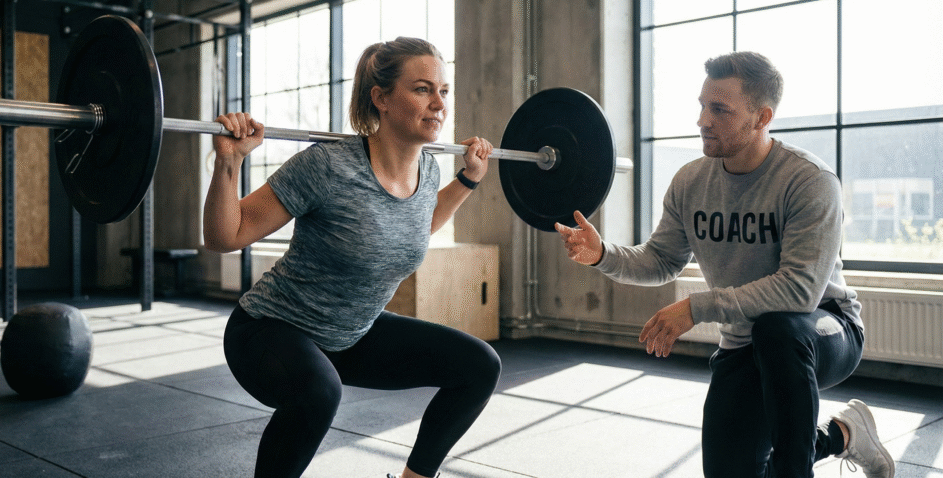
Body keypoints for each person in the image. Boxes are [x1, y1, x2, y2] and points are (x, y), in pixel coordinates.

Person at [556, 51, 895, 478]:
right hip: (743, 341)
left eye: (720, 109)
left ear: (761, 117)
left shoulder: (810, 181)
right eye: (702, 105)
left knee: (778, 330)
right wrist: (603, 254)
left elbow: (799, 291)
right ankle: (845, 434)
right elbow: (661, 260)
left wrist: (697, 307)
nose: (702, 120)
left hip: (825, 329)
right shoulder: (691, 181)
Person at [203, 36, 502, 478]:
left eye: (443, 90)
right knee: (319, 393)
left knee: (479, 366)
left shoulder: (428, 170)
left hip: (351, 335)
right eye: (422, 89)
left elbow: (414, 224)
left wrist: (468, 180)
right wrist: (229, 163)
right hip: (270, 330)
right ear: (381, 98)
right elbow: (224, 236)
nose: (439, 103)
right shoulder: (327, 166)